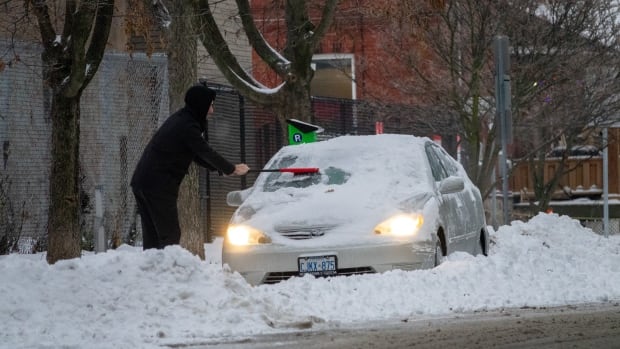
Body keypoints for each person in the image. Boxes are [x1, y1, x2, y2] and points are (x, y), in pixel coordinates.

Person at [131, 82, 249, 249]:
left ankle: (154, 272)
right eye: (211, 105)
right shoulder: (187, 126)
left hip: (143, 183)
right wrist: (231, 168)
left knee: (154, 237)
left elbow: (194, 153)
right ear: (201, 105)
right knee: (169, 234)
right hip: (158, 186)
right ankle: (168, 271)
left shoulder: (182, 120)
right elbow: (204, 151)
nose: (212, 111)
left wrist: (221, 170)